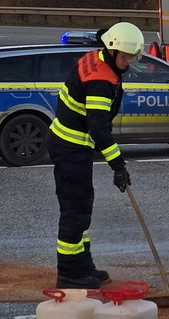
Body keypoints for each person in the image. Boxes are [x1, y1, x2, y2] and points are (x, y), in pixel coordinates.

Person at [48, 22, 146, 287]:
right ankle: (69, 273)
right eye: (125, 57)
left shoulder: (98, 56)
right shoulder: (101, 81)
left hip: (72, 145)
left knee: (81, 207)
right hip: (71, 146)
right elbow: (99, 127)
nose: (128, 63)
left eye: (132, 57)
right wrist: (118, 166)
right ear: (112, 50)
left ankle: (82, 264)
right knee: (75, 210)